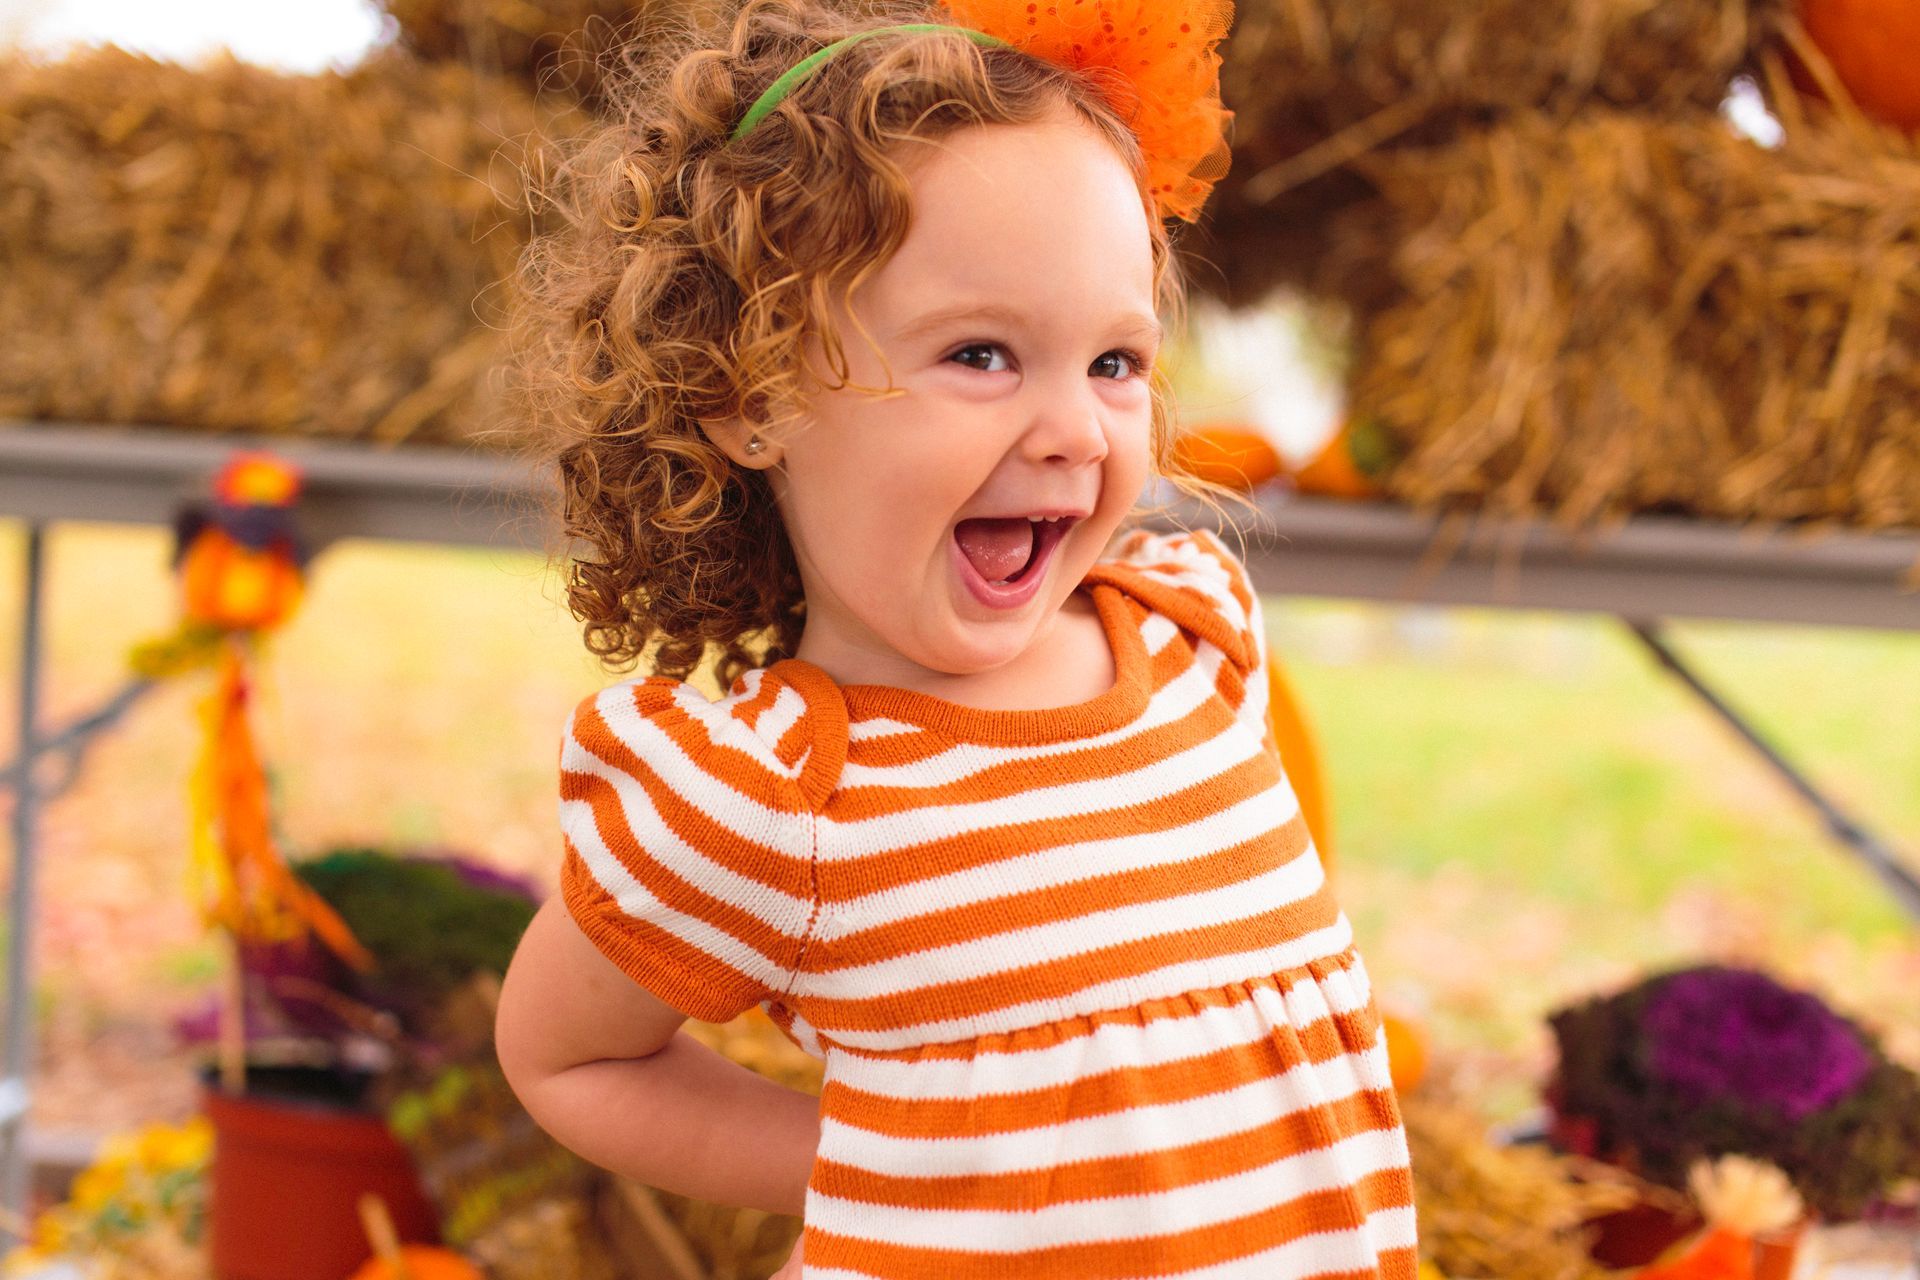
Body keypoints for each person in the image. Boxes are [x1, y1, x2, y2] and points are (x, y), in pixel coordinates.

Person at [494, 0, 1418, 1275]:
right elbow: (568, 1052)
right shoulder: (773, 792)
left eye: (1114, 362)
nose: (1076, 431)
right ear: (748, 397)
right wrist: (879, 1167)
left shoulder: (1192, 632)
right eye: (982, 354)